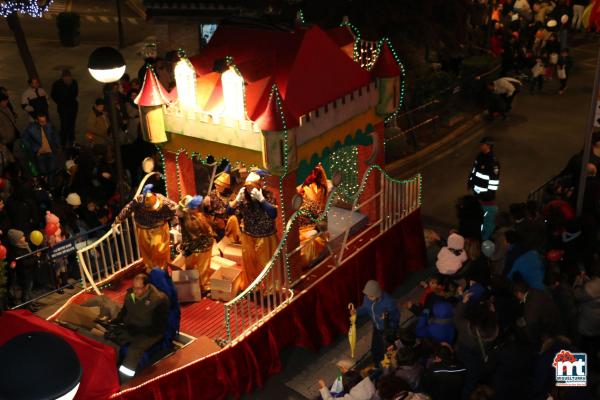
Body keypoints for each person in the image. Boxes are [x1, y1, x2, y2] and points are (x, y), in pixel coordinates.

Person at [109, 273, 169, 381]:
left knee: (133, 351)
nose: (135, 291)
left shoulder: (159, 300)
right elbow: (125, 310)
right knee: (111, 338)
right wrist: (117, 320)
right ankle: (111, 370)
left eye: (139, 288)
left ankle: (124, 380)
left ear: (146, 287)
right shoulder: (131, 294)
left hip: (149, 332)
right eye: (134, 288)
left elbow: (158, 328)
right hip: (132, 327)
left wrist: (138, 330)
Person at [229, 170, 278, 289]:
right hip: (248, 236)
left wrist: (262, 200)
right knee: (250, 264)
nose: (250, 190)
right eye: (247, 187)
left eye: (252, 187)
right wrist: (237, 200)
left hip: (265, 237)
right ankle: (253, 288)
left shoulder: (267, 196)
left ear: (259, 186)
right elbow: (228, 212)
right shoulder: (243, 198)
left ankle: (270, 290)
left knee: (266, 265)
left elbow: (273, 214)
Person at [114, 184, 178, 270]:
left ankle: (161, 270)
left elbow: (175, 208)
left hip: (159, 229)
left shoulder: (162, 200)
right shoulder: (139, 200)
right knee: (146, 252)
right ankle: (151, 271)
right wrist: (117, 221)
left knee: (159, 251)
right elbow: (128, 209)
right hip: (142, 229)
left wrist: (175, 219)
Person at [351, 280, 400, 366]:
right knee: (375, 349)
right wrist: (356, 312)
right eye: (368, 295)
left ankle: (391, 363)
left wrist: (387, 318)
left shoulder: (388, 302)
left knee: (388, 348)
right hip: (377, 327)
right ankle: (378, 365)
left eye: (371, 296)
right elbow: (365, 309)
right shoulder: (367, 298)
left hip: (389, 328)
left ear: (378, 294)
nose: (369, 298)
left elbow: (397, 316)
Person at [179, 195, 216, 293]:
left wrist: (188, 248)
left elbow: (198, 238)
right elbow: (186, 235)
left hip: (204, 246)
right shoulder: (185, 218)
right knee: (190, 265)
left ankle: (204, 287)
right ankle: (193, 285)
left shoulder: (195, 219)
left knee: (203, 267)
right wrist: (184, 245)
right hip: (193, 246)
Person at [296, 163, 331, 266]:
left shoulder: (318, 190)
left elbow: (322, 216)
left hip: (311, 230)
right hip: (295, 232)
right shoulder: (294, 189)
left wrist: (315, 230)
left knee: (306, 250)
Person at [512, 278, 564, 347]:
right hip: (557, 323)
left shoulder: (530, 305)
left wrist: (524, 327)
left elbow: (532, 330)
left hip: (551, 333)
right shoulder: (535, 291)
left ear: (519, 294)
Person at [467, 137, 500, 240]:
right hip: (477, 190)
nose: (481, 146)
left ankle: (483, 233)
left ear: (488, 146)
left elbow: (494, 180)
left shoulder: (492, 161)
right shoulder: (480, 156)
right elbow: (474, 169)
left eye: (483, 144)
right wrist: (470, 181)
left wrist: (489, 193)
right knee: (477, 210)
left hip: (485, 194)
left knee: (484, 213)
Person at [203, 166, 241, 243]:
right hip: (217, 222)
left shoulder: (231, 195)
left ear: (225, 186)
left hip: (228, 221)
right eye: (216, 184)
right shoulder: (213, 194)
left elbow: (235, 210)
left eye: (219, 185)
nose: (216, 186)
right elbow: (212, 210)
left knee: (234, 220)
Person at [22, 113, 59, 182]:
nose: (44, 123)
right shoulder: (31, 129)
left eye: (45, 121)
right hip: (40, 154)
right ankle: (45, 181)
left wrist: (56, 145)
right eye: (42, 122)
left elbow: (55, 135)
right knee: (43, 170)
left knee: (52, 169)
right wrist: (35, 149)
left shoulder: (49, 125)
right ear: (37, 121)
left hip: (51, 151)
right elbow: (24, 140)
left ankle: (50, 184)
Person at [7, 229, 37, 308]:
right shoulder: (16, 251)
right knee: (26, 290)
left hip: (30, 272)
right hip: (24, 274)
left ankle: (31, 301)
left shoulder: (25, 245)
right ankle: (27, 305)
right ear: (17, 240)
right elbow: (24, 263)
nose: (24, 237)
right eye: (22, 237)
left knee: (29, 288)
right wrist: (35, 258)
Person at [50, 69, 78, 147]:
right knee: (64, 125)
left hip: (72, 107)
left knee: (72, 124)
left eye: (69, 77)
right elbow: (53, 95)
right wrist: (60, 102)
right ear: (62, 78)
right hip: (63, 108)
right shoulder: (56, 84)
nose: (68, 79)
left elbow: (76, 93)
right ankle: (63, 142)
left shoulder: (74, 82)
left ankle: (71, 140)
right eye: (66, 77)